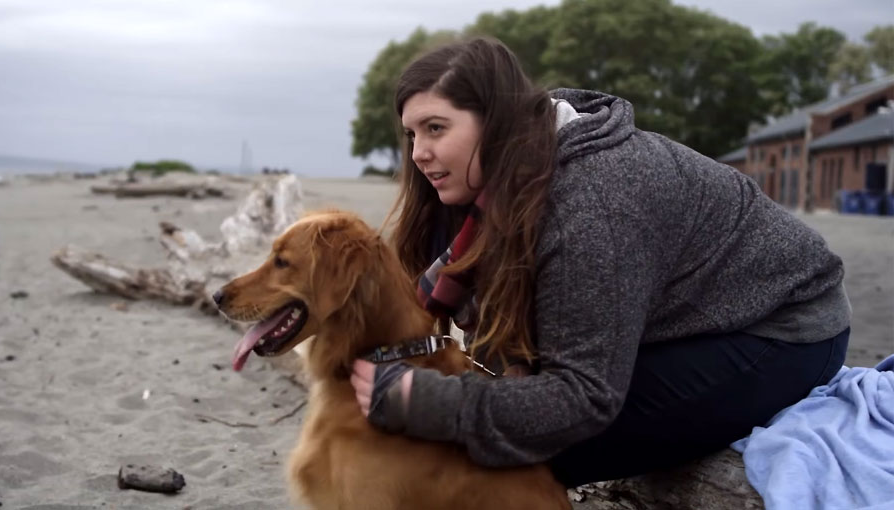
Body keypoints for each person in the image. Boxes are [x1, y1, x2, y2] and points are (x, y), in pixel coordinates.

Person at [348, 37, 850, 487]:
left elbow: (583, 397)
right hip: (688, 315)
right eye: (412, 134)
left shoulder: (592, 202)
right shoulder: (507, 176)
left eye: (436, 128)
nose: (418, 153)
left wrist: (428, 401)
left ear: (497, 121)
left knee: (512, 455)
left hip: (781, 331)